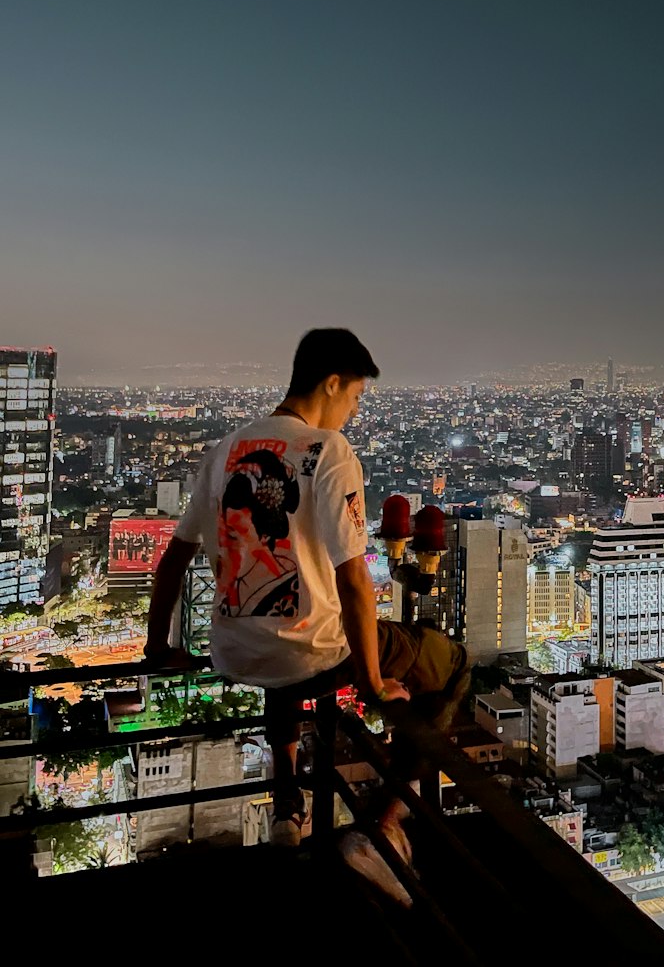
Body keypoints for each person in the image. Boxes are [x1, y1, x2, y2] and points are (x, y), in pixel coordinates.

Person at [144, 327, 469, 892]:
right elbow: (354, 581)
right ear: (332, 381)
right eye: (356, 397)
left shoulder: (225, 451)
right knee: (455, 664)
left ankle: (286, 805)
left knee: (283, 645)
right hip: (315, 651)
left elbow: (172, 561)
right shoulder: (327, 450)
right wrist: (370, 681)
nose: (354, 410)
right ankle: (383, 825)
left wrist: (157, 647)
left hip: (236, 651)